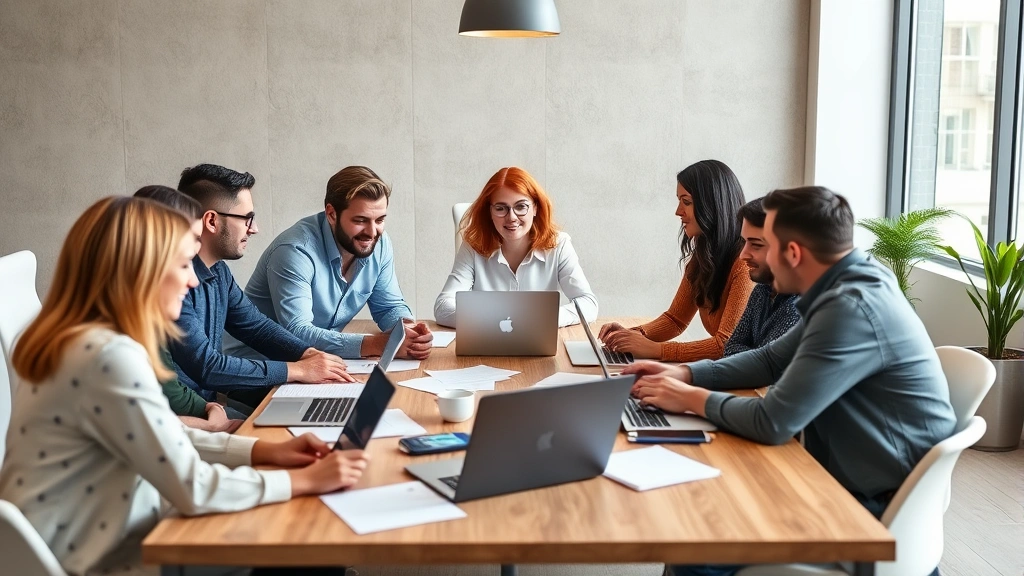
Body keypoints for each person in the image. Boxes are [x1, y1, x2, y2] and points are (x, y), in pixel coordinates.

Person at [0, 196, 369, 576]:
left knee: (304, 544)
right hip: (107, 559)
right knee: (305, 548)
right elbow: (193, 488)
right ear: (140, 271)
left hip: (104, 535)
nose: (193, 279)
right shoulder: (107, 358)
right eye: (181, 265)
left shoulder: (85, 343)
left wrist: (261, 452)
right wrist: (304, 479)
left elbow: (163, 438)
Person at [625, 187, 956, 576]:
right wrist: (684, 372)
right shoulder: (851, 281)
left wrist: (689, 398)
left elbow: (772, 423)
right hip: (859, 481)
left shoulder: (849, 309)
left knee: (698, 540)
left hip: (869, 509)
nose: (746, 255)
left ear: (793, 253)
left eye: (762, 245)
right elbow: (769, 359)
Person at [169, 164, 353, 410]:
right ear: (211, 221)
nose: (254, 229)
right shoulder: (172, 284)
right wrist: (296, 369)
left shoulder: (219, 272)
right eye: (247, 218)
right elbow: (207, 366)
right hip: (185, 414)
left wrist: (306, 353)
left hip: (209, 405)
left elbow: (256, 327)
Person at [227, 166, 432, 361]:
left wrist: (407, 330)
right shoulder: (294, 251)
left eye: (379, 220)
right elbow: (297, 332)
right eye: (360, 220)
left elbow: (388, 307)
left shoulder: (379, 242)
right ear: (332, 214)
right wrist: (376, 344)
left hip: (315, 361)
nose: (372, 232)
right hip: (258, 365)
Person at [600, 160, 754, 362]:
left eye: (686, 202)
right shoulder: (703, 258)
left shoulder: (745, 265)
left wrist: (656, 350)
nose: (678, 211)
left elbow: (725, 345)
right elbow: (675, 319)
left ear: (712, 205)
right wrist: (633, 335)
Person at [133, 185, 243, 433]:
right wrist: (213, 424)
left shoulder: (144, 318)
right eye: (184, 264)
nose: (193, 280)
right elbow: (145, 426)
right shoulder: (113, 346)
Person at [433, 166, 598, 328]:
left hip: (538, 345)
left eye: (520, 206)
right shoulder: (473, 246)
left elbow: (588, 303)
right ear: (489, 212)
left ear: (535, 208)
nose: (511, 217)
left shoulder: (559, 245)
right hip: (488, 347)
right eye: (500, 208)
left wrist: (542, 319)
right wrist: (494, 320)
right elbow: (443, 307)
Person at [722, 198, 800, 356]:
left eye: (756, 245)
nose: (743, 255)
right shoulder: (761, 291)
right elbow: (730, 348)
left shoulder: (799, 307)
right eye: (744, 242)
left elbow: (763, 366)